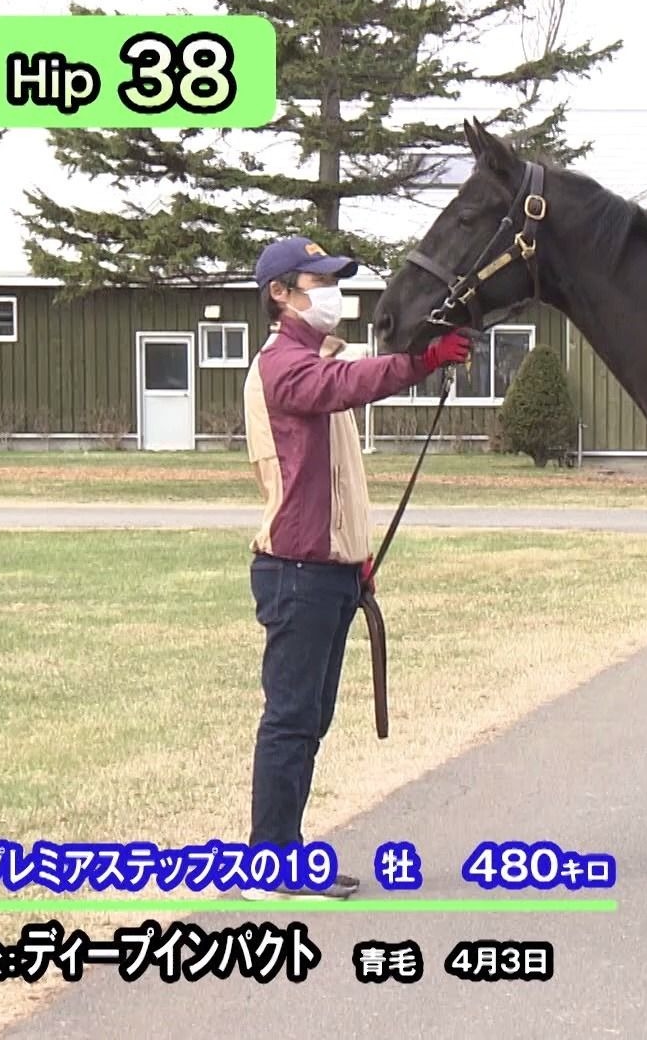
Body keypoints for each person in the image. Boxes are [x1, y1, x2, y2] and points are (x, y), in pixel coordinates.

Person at [239, 235, 470, 900]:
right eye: (316, 281)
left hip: (329, 569)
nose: (330, 291)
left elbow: (341, 479)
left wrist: (357, 555)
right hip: (295, 570)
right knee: (289, 718)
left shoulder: (318, 358)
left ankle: (286, 851)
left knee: (308, 720)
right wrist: (422, 362)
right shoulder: (284, 366)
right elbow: (347, 385)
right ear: (280, 295)